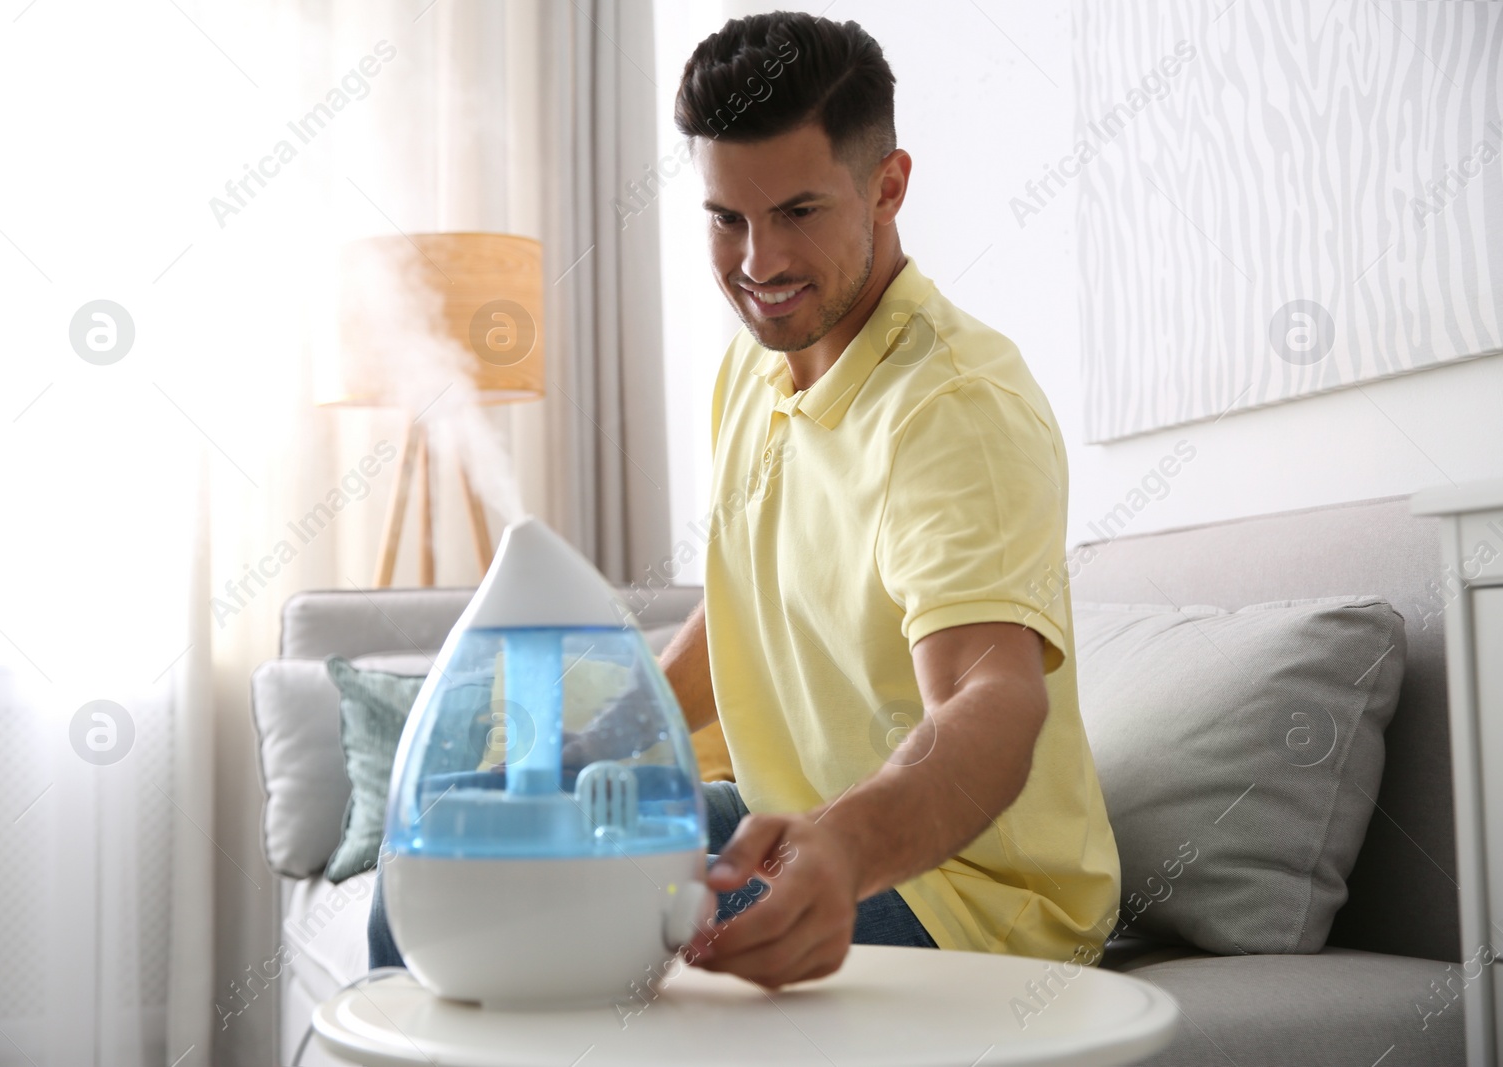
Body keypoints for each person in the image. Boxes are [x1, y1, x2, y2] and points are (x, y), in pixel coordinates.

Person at [368, 10, 1119, 991]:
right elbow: (746, 617)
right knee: (444, 845)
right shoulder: (752, 368)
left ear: (887, 186)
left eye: (798, 212)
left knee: (585, 951)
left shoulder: (950, 407)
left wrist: (843, 848)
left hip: (970, 897)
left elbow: (992, 697)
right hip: (777, 820)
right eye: (727, 219)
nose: (757, 263)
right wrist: (598, 744)